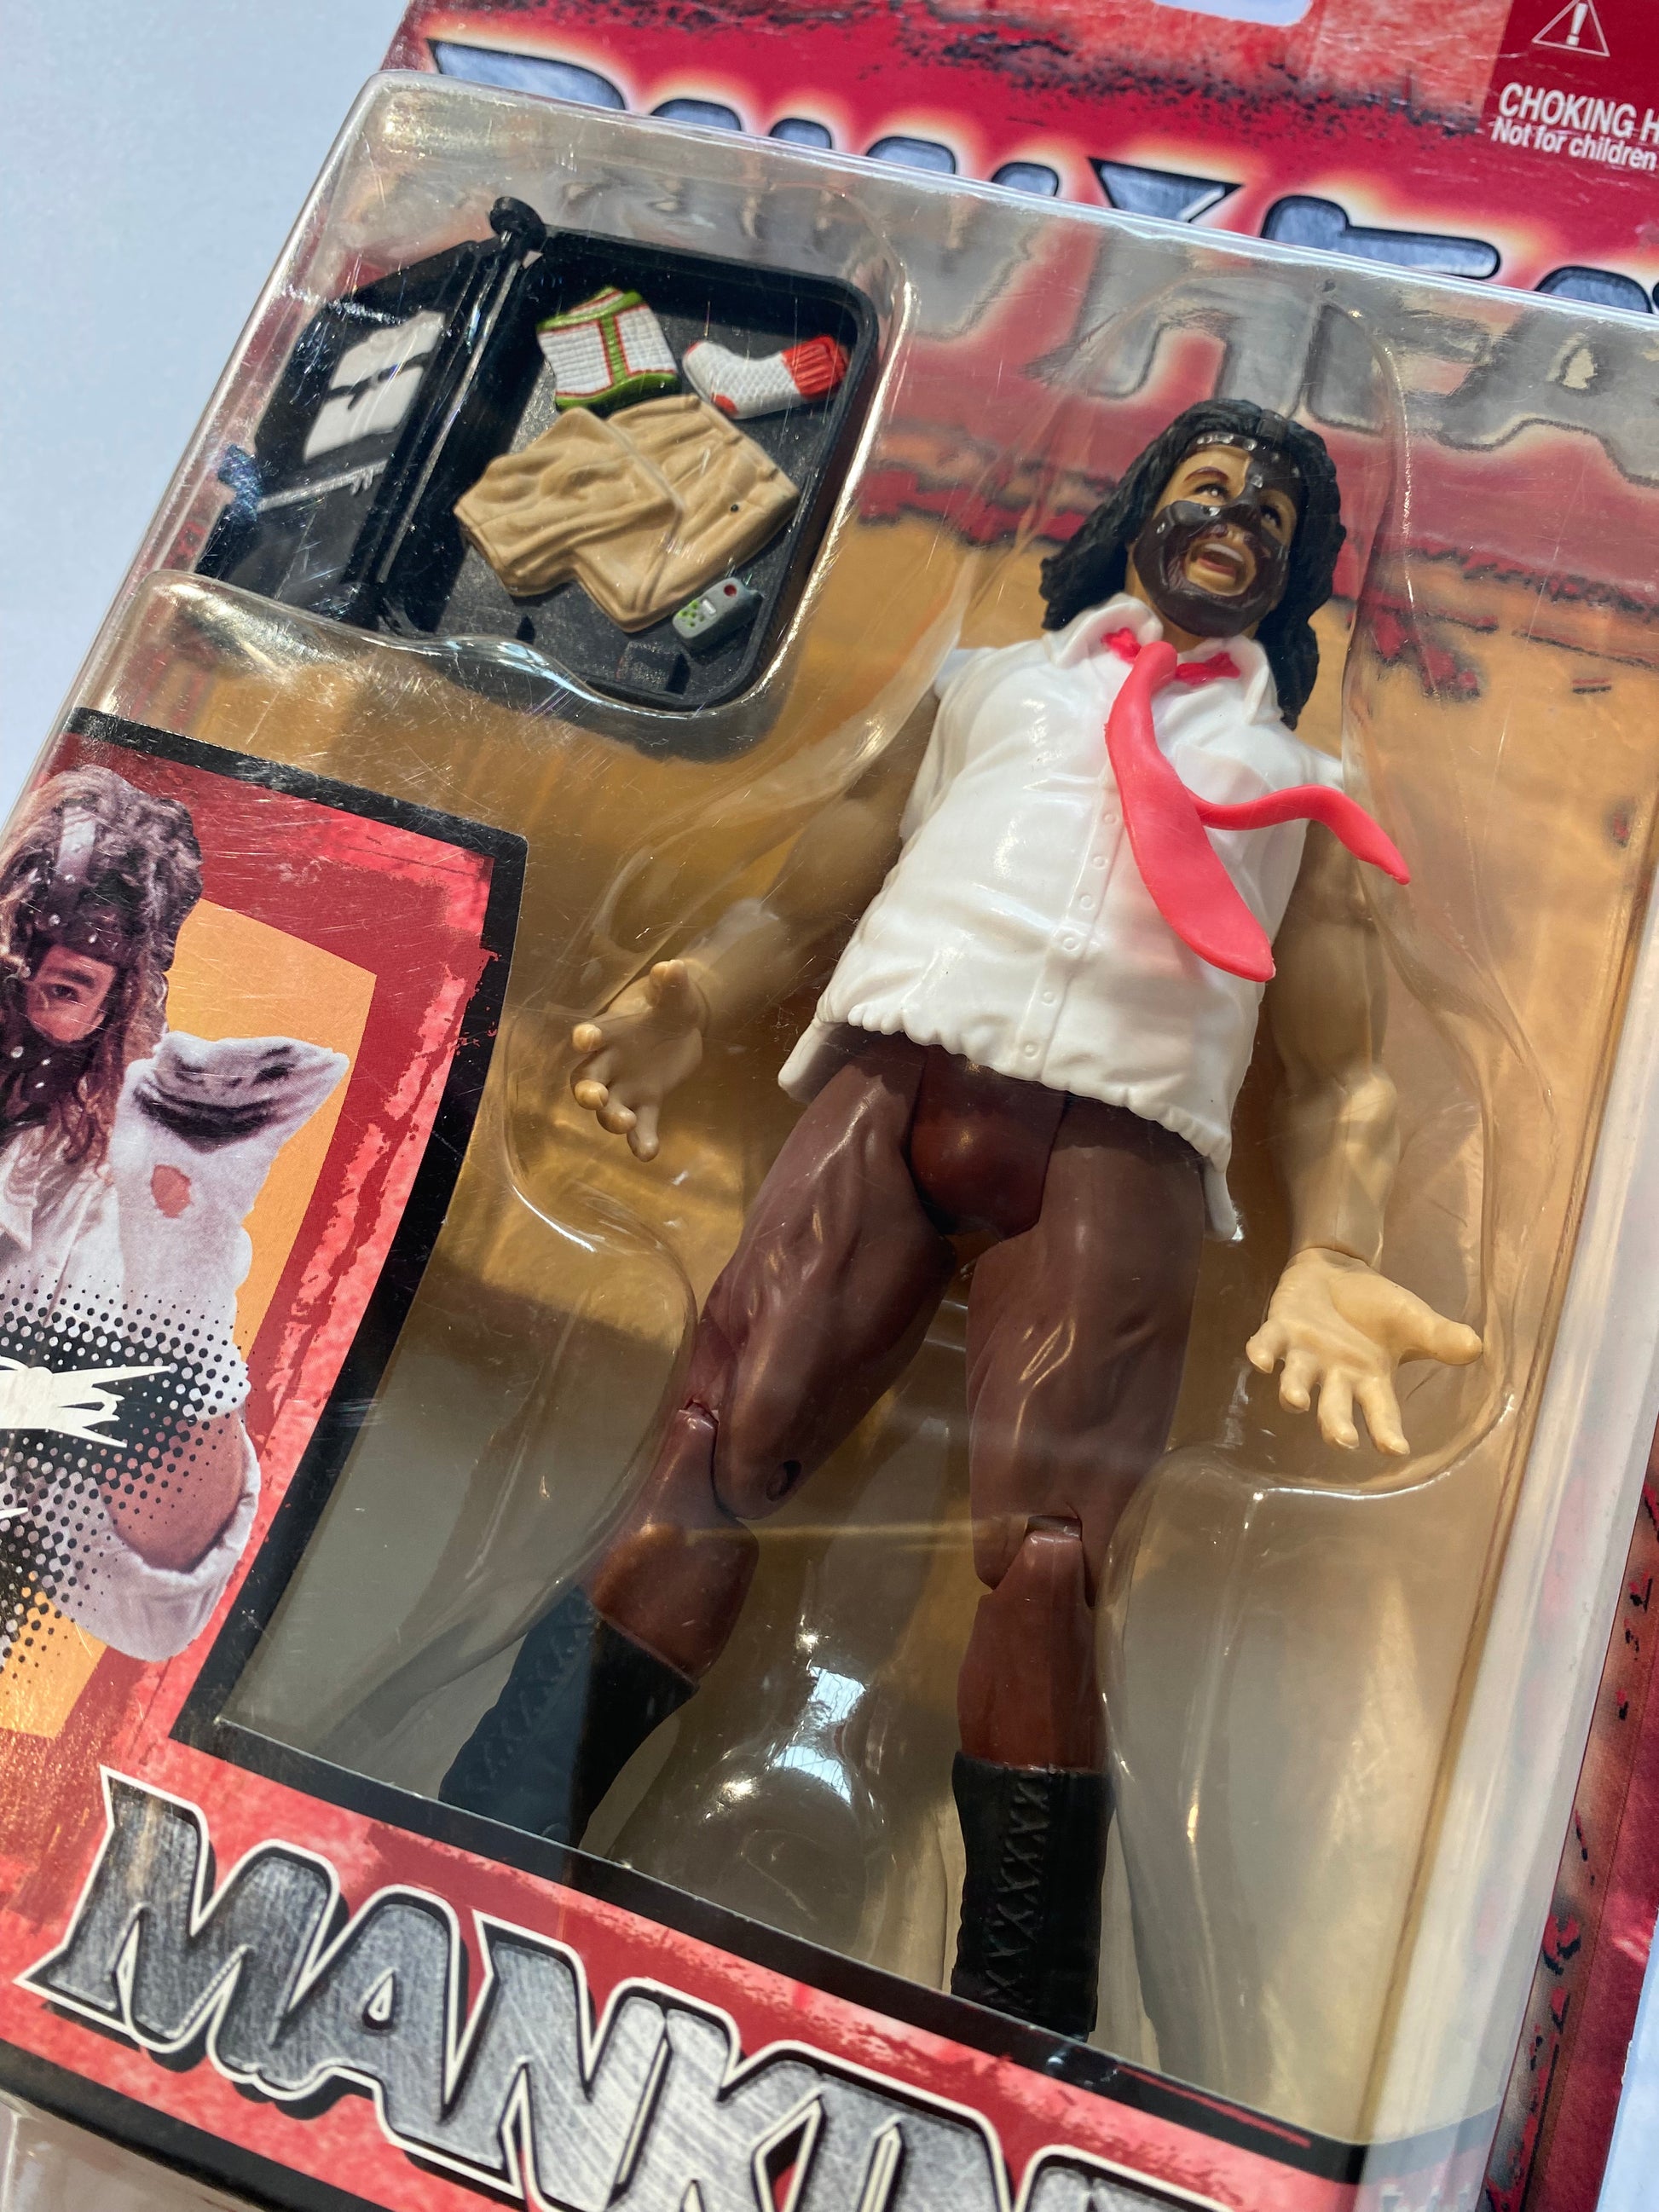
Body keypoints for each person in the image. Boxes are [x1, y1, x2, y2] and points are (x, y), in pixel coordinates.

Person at [439, 400, 1483, 2036]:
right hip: (899, 1074)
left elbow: (1342, 1072)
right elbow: (828, 863)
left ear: (1297, 574)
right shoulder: (989, 687)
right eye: (1208, 485)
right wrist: (694, 993)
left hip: (1118, 1147)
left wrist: (1336, 1250)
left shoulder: (1302, 790)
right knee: (718, 1441)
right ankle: (493, 1827)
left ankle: (1016, 2002)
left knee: (1050, 1559)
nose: (1235, 518)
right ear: (1139, 509)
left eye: (1272, 514)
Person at [0, 766, 345, 1665]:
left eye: (65, 987)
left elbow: (144, 1602)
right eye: (6, 957)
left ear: (115, 1009)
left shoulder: (96, 1236)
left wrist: (183, 1265)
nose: (16, 1006)